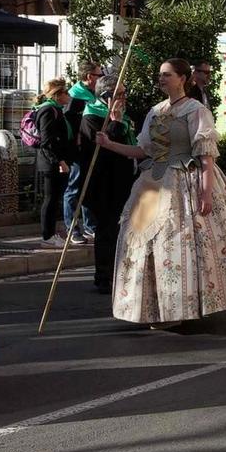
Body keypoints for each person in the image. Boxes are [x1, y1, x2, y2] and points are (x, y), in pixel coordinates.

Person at [93, 57, 226, 327]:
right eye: (160, 74)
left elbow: (206, 156)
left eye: (167, 74)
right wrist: (109, 144)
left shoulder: (195, 110)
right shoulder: (155, 111)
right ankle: (151, 308)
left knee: (177, 244)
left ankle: (180, 308)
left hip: (185, 181)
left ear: (182, 78)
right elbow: (143, 151)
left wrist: (206, 194)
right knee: (140, 241)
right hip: (152, 183)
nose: (161, 79)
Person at [75, 77, 135, 296]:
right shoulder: (91, 116)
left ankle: (120, 273)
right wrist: (116, 122)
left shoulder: (124, 116)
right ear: (106, 97)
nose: (124, 98)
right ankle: (104, 276)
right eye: (120, 94)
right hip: (104, 184)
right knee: (107, 230)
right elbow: (103, 148)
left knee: (122, 230)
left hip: (123, 180)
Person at [64, 60, 108, 244]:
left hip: (90, 148)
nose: (101, 78)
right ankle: (72, 228)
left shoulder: (92, 94)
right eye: (99, 75)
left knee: (89, 186)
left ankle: (91, 226)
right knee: (74, 189)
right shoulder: (75, 97)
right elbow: (68, 125)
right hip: (78, 151)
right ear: (89, 77)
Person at [30, 79, 78, 245]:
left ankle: (51, 233)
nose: (68, 96)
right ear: (57, 95)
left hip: (57, 161)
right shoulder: (48, 111)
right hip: (51, 162)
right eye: (65, 93)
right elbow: (47, 141)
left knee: (55, 198)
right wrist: (60, 161)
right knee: (50, 199)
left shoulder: (56, 109)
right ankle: (47, 236)